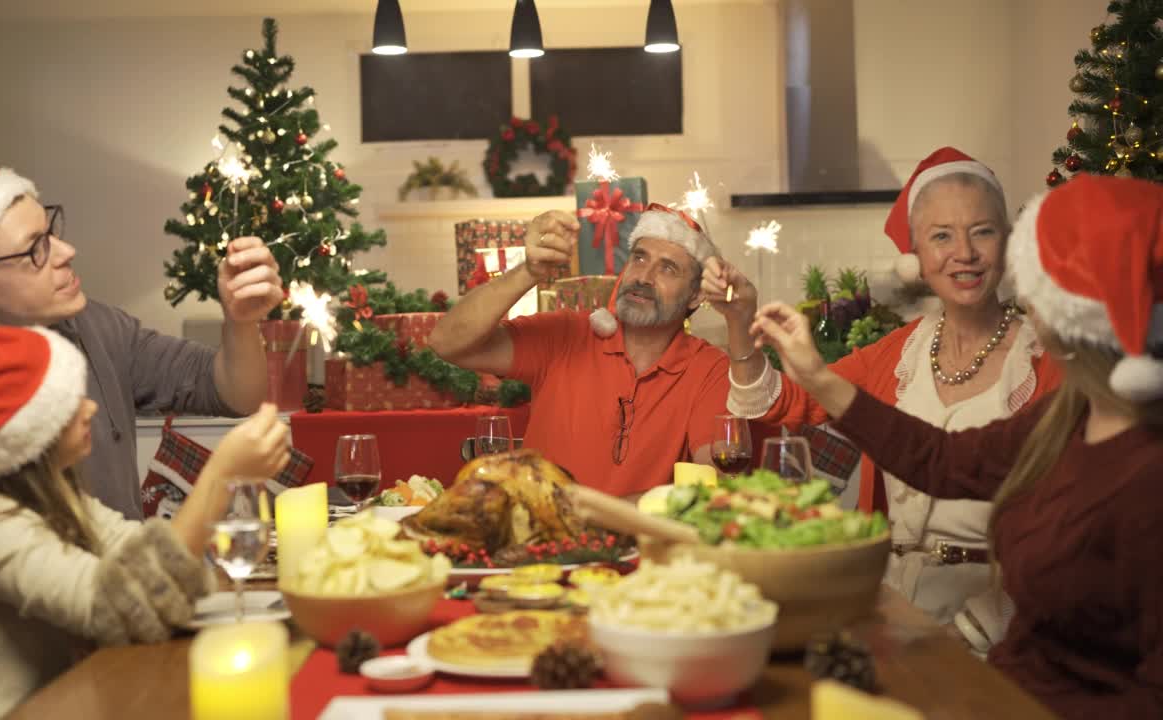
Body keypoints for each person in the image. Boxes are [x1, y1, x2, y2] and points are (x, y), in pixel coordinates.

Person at [749, 174, 1163, 717]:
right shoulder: (1068, 415)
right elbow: (943, 462)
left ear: (1071, 317)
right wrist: (818, 376)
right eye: (942, 236)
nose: (1028, 308)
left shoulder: (1145, 476)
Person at [702, 147, 1062, 653]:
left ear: (1006, 243)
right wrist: (740, 323)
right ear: (916, 255)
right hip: (888, 612)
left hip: (995, 630)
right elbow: (785, 406)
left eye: (982, 231)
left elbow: (1059, 543)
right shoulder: (896, 353)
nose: (964, 252)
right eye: (941, 236)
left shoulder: (1049, 366)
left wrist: (970, 635)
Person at [0, 164, 282, 620]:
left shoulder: (98, 327)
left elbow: (235, 393)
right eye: (35, 250)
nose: (66, 251)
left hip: (132, 627)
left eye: (51, 230)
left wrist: (242, 320)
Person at [0, 325, 290, 719]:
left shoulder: (57, 495)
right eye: (68, 402)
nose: (91, 408)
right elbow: (121, 608)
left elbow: (145, 558)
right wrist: (219, 478)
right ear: (24, 430)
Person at [428, 205, 731, 496]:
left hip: (642, 543)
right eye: (639, 258)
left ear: (695, 296)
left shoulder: (709, 368)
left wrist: (593, 514)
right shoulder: (566, 334)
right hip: (542, 540)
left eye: (667, 268)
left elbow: (715, 480)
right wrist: (529, 272)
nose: (643, 277)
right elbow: (446, 342)